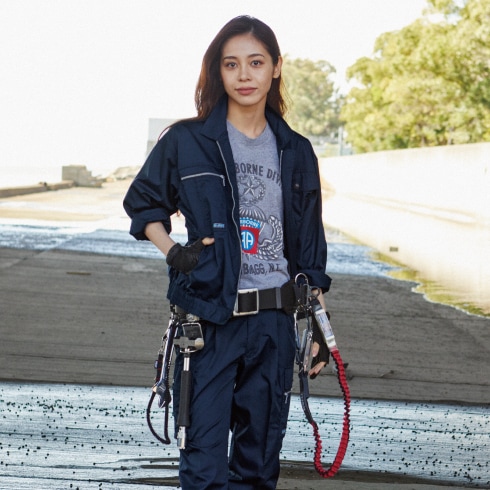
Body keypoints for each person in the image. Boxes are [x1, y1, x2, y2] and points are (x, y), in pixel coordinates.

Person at [123, 15, 332, 489]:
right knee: (203, 466)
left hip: (274, 325)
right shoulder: (187, 140)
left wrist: (319, 325)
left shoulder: (297, 150)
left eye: (256, 63)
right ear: (217, 71)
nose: (244, 75)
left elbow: (309, 248)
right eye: (231, 64)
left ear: (276, 67)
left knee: (258, 467)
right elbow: (143, 204)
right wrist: (174, 253)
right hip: (209, 321)